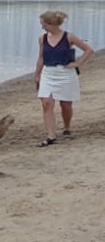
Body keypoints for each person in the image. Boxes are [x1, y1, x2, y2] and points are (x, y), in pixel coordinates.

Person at [34, 10, 93, 146]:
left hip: (65, 73)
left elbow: (88, 50)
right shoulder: (42, 38)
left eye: (44, 24)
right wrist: (37, 74)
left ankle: (67, 127)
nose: (42, 27)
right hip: (49, 73)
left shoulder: (69, 37)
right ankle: (51, 135)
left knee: (66, 105)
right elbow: (41, 57)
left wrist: (78, 63)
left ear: (52, 24)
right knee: (46, 103)